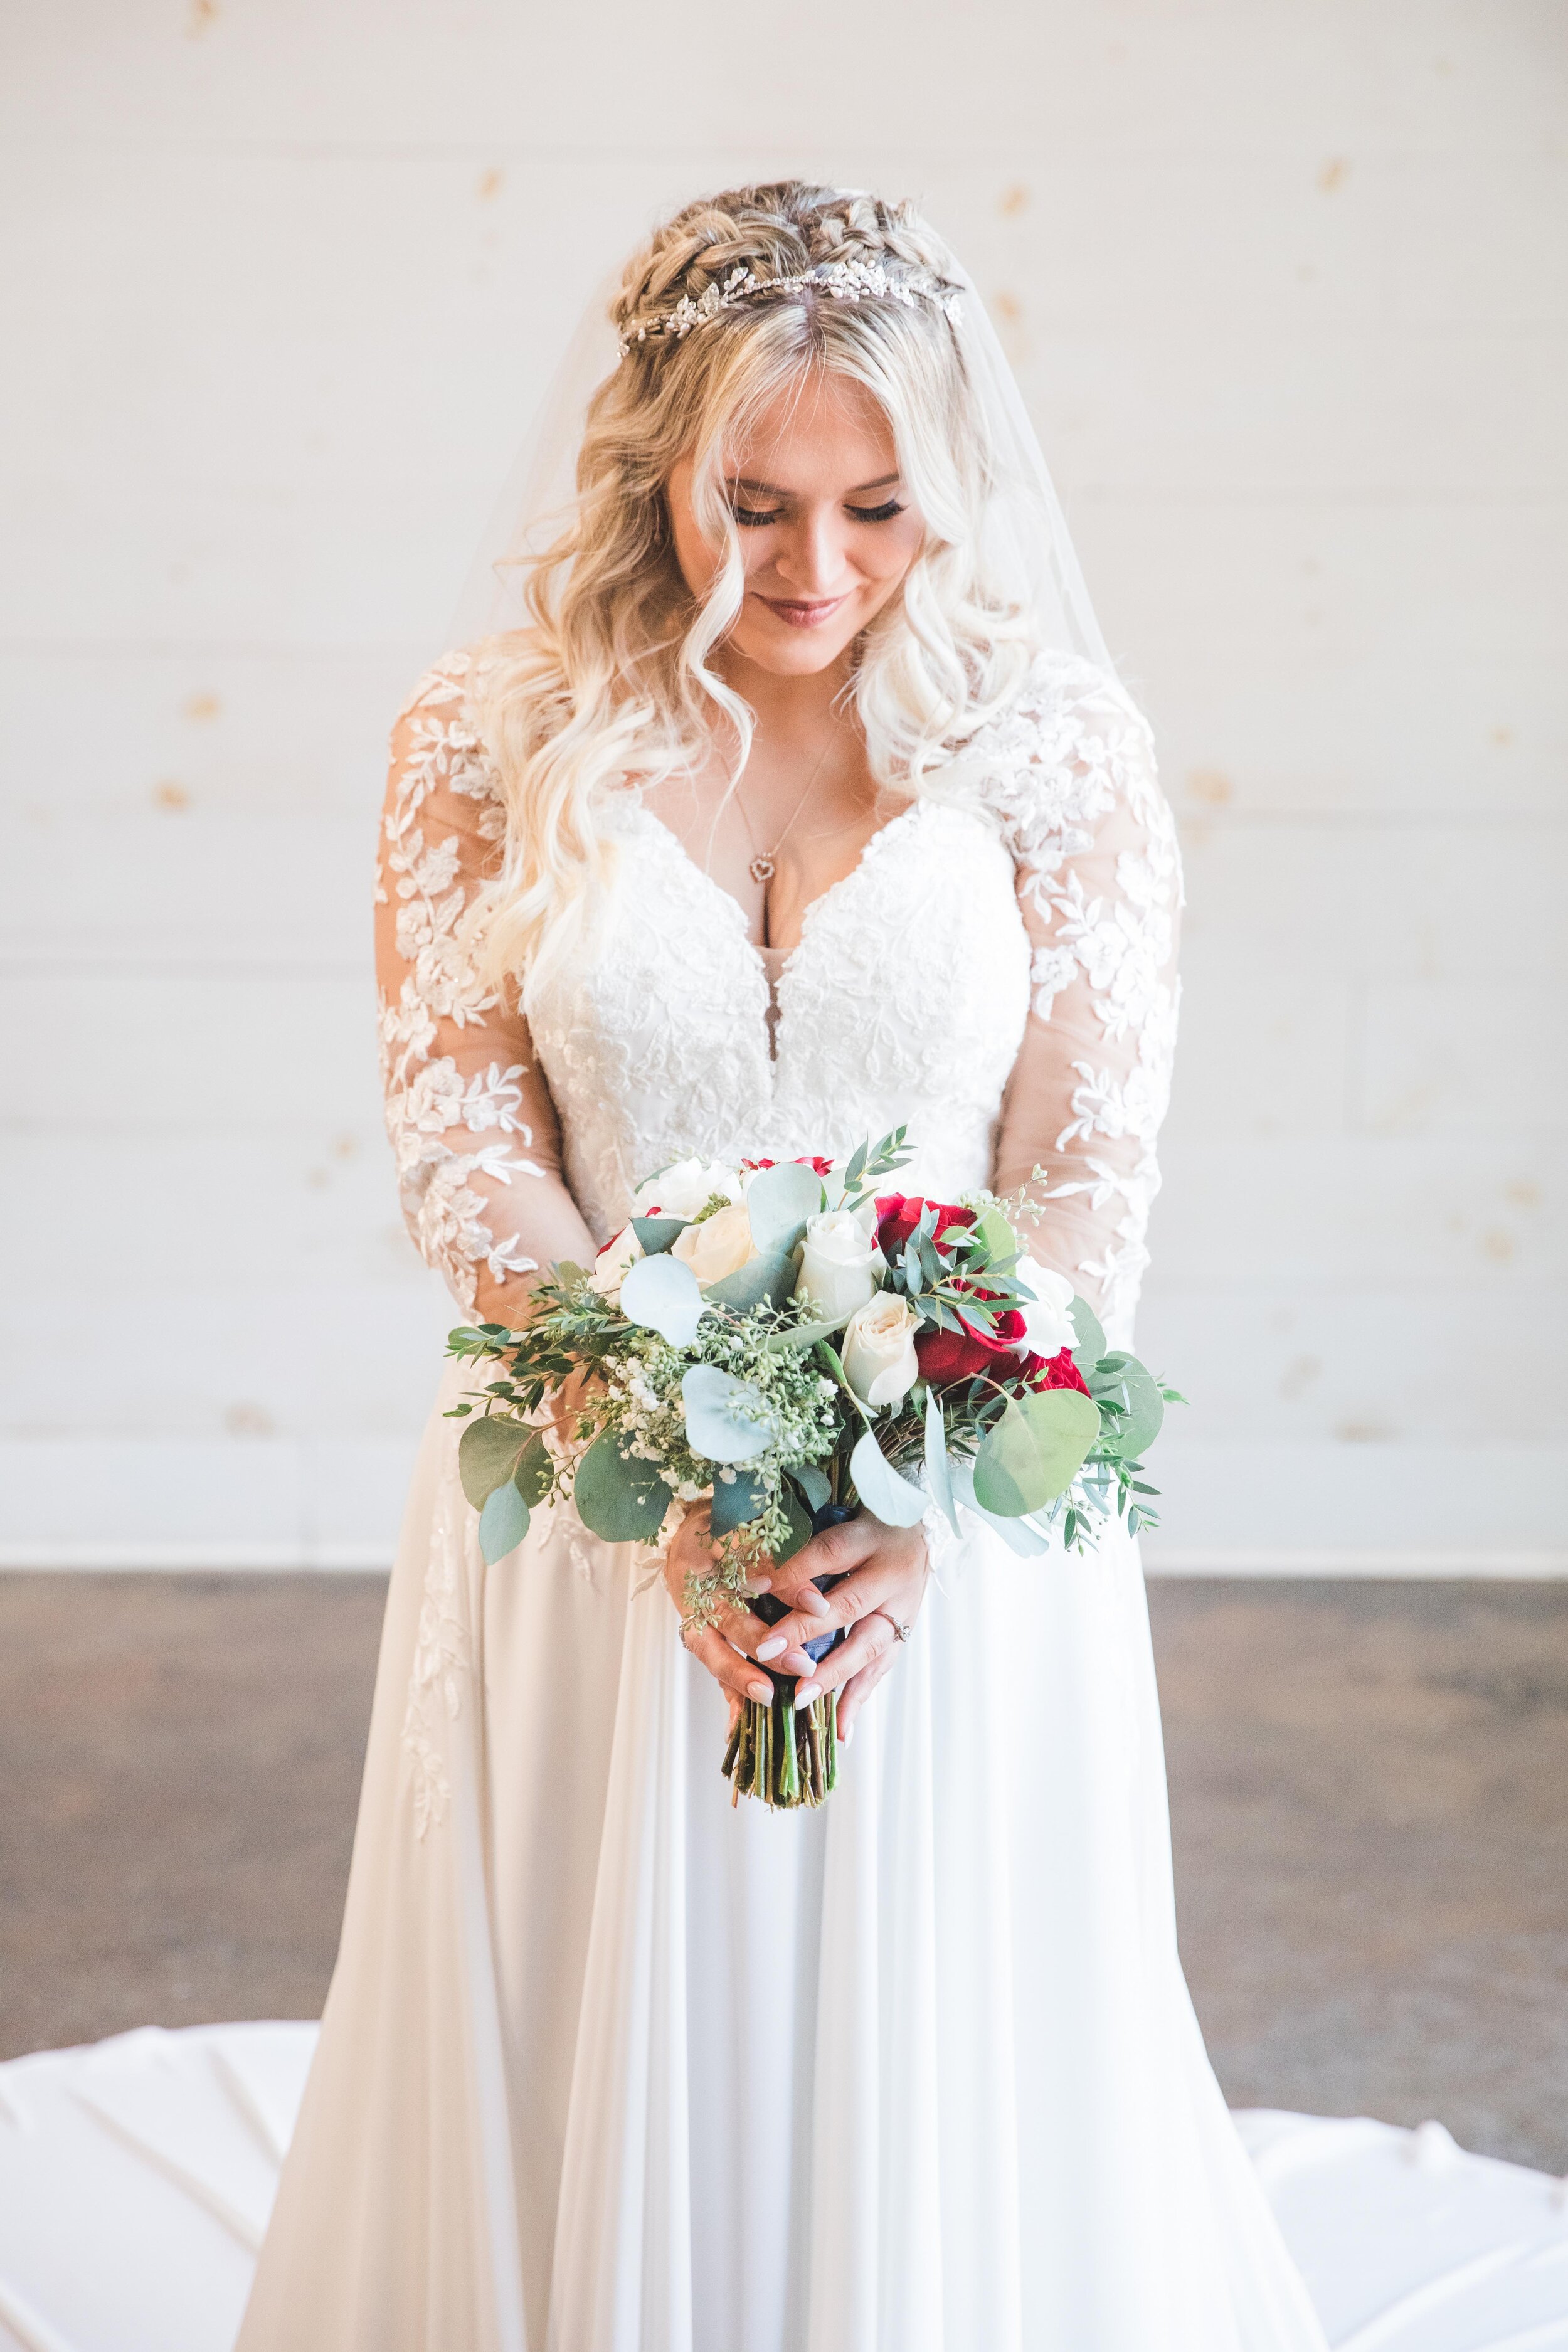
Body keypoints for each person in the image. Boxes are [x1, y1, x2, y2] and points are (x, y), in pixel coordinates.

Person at [239, 181, 1326, 2351]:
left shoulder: (1055, 752)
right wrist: (655, 1474)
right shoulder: (483, 739)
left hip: (955, 1532)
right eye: (749, 505)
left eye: (876, 510)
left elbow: (1081, 1180)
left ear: (953, 494)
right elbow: (468, 1142)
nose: (811, 573)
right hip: (582, 1504)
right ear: (653, 461)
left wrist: (921, 1510)